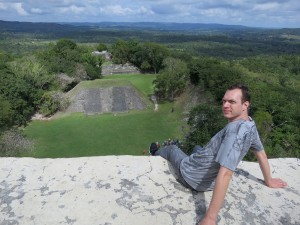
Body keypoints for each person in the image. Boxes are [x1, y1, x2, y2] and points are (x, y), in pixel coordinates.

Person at [149, 84, 288, 225]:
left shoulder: (234, 132)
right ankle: (192, 156)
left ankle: (154, 152)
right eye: (224, 101)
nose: (225, 105)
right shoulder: (250, 125)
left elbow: (226, 173)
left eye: (232, 102)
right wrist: (268, 180)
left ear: (245, 105)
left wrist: (210, 218)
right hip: (209, 179)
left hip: (191, 176)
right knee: (198, 148)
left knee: (172, 149)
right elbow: (261, 154)